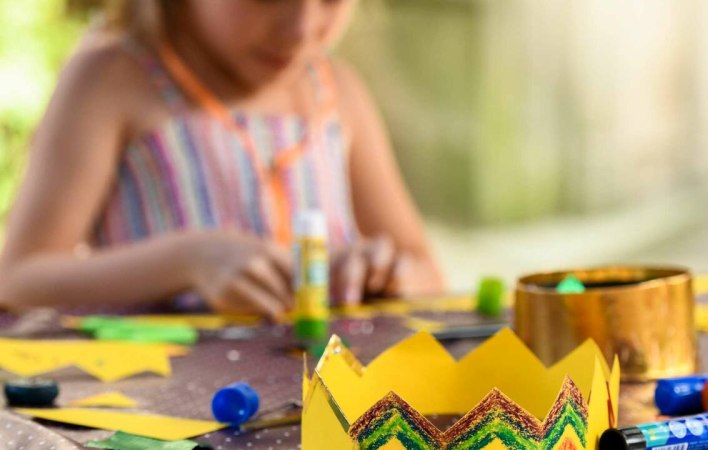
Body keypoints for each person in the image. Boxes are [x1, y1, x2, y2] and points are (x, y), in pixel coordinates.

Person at [0, 0, 443, 320]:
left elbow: (426, 273)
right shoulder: (112, 81)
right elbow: (18, 280)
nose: (300, 28)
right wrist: (186, 261)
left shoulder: (338, 94)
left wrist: (387, 273)